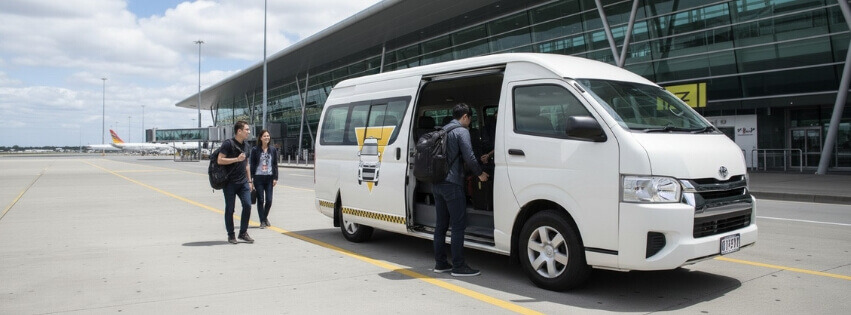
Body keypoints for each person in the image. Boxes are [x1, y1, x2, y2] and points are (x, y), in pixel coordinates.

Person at [433, 103, 489, 277]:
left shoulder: (442, 130)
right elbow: (469, 157)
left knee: (441, 225)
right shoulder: (461, 131)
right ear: (465, 116)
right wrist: (480, 174)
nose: (470, 123)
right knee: (458, 226)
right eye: (470, 118)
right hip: (452, 183)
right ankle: (458, 266)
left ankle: (441, 263)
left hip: (437, 183)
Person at [218, 121, 254, 244]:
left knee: (248, 205)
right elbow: (220, 160)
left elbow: (247, 164)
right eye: (247, 130)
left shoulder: (247, 145)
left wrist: (250, 181)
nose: (249, 132)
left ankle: (243, 233)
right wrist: (236, 159)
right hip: (229, 183)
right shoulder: (228, 144)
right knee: (230, 209)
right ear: (239, 131)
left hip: (243, 182)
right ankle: (231, 235)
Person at [250, 130, 279, 228]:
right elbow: (252, 164)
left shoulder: (273, 150)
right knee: (261, 200)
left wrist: (275, 178)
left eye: (268, 136)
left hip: (269, 177)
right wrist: (251, 179)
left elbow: (275, 164)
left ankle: (264, 217)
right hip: (258, 177)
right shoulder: (255, 150)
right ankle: (262, 221)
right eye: (265, 136)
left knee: (269, 200)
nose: (267, 137)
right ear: (261, 138)